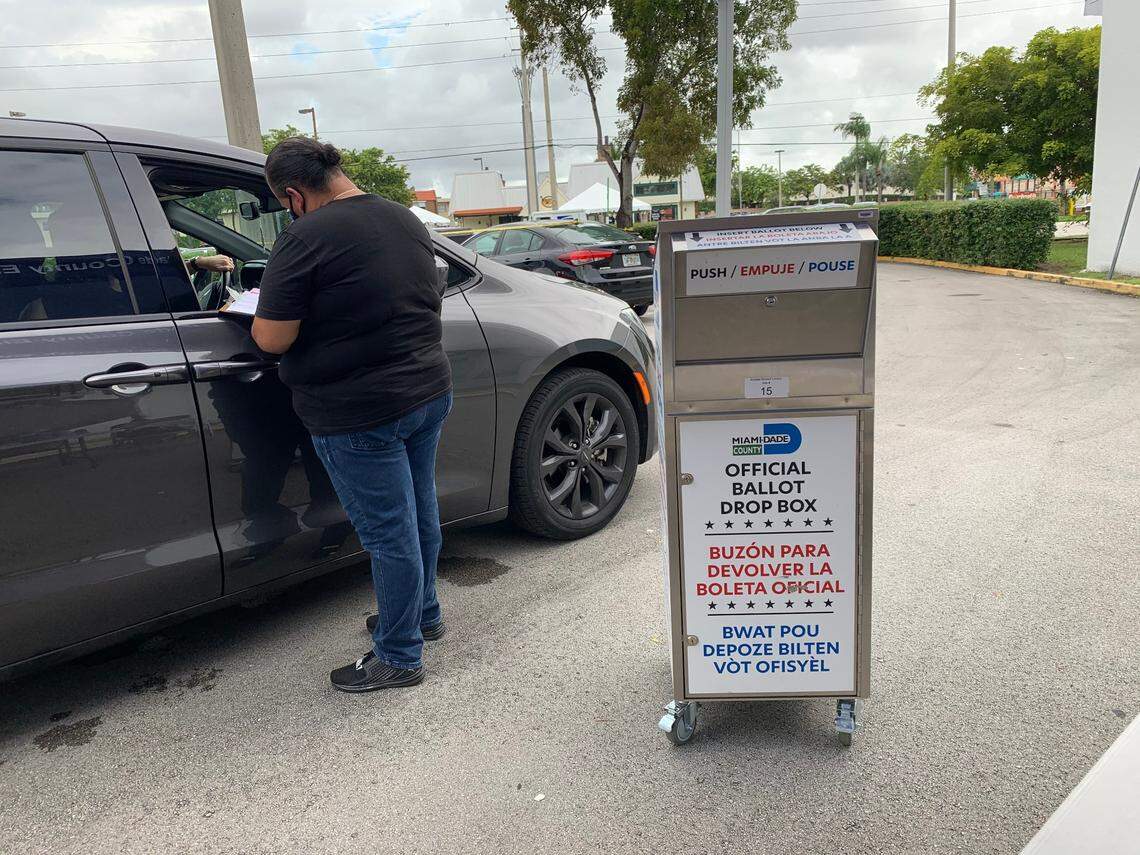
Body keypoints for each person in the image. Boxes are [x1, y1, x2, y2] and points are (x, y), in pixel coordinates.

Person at [251, 137, 453, 693]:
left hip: (359, 412)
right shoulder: (402, 218)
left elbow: (270, 338)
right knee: (419, 512)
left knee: (390, 535)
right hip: (427, 391)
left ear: (294, 195)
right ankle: (422, 615)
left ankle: (398, 654)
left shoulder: (304, 237)